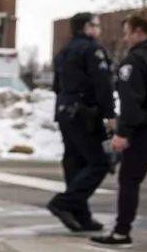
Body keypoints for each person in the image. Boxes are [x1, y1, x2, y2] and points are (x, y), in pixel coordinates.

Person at [91, 6, 147, 245]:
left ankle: (121, 231)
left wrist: (123, 133)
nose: (126, 38)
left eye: (127, 33)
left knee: (129, 179)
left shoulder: (136, 60)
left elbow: (131, 101)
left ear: (138, 30)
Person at [47, 12, 116, 232]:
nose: (99, 30)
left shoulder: (64, 51)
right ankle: (65, 203)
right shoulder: (92, 50)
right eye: (96, 25)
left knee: (75, 162)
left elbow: (57, 85)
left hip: (65, 110)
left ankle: (81, 214)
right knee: (100, 162)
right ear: (86, 27)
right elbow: (103, 84)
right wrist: (110, 114)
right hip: (85, 112)